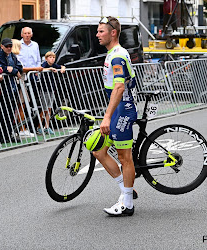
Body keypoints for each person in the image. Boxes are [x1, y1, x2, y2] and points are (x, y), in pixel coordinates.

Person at [94, 16, 137, 216]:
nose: (97, 35)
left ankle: (127, 203)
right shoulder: (113, 53)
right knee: (99, 151)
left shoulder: (118, 55)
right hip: (117, 109)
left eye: (101, 31)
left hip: (123, 110)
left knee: (124, 157)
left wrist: (107, 117)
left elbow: (119, 88)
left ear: (113, 33)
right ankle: (126, 190)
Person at [17, 27, 43, 137]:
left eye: (29, 33)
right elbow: (17, 61)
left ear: (31, 35)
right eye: (25, 33)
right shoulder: (18, 44)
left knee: (32, 102)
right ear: (22, 34)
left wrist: (37, 71)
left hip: (32, 76)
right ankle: (21, 127)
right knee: (22, 103)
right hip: (22, 76)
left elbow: (37, 59)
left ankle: (30, 126)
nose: (27, 35)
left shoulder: (35, 45)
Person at [0, 38, 23, 142]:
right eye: (6, 46)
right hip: (2, 88)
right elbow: (1, 67)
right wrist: (11, 70)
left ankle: (9, 135)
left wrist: (14, 70)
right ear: (2, 46)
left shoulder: (12, 55)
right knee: (2, 113)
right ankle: (1, 136)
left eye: (10, 46)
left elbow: (19, 66)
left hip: (12, 88)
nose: (8, 48)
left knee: (11, 113)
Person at [37, 51, 65, 135]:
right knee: (44, 109)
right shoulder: (45, 64)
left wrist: (62, 68)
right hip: (44, 89)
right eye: (50, 57)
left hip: (51, 89)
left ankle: (47, 126)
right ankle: (39, 127)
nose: (52, 59)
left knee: (49, 108)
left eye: (53, 57)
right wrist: (50, 69)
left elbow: (61, 66)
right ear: (46, 58)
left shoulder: (54, 65)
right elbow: (41, 69)